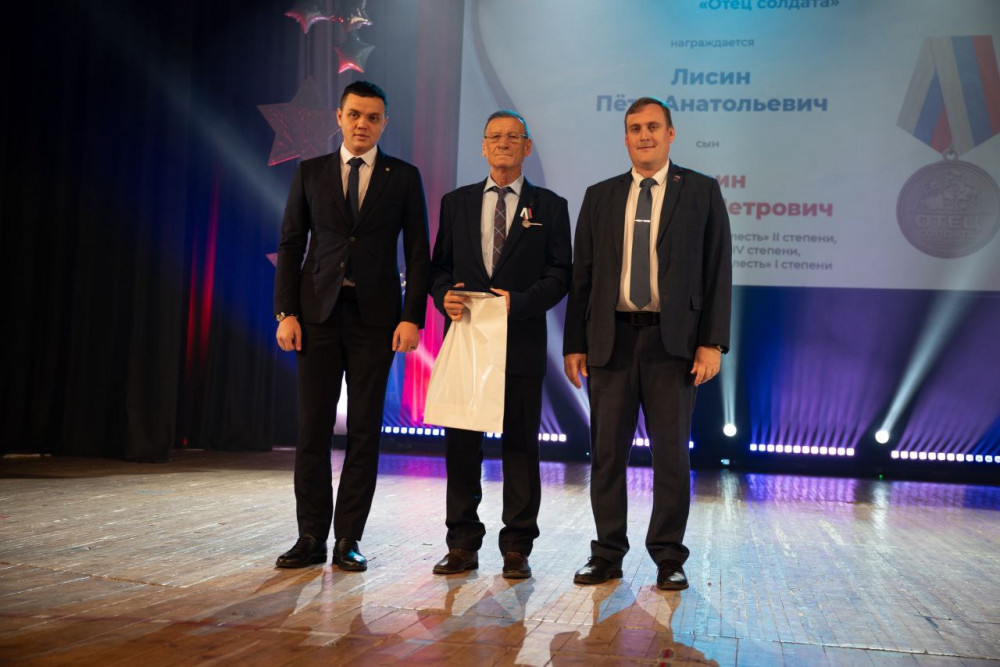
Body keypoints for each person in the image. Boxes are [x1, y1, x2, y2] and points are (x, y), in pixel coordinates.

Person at [563, 97, 731, 590]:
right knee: (607, 455)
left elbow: (718, 269)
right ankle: (607, 554)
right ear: (625, 137)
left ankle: (668, 556)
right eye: (635, 128)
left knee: (671, 457)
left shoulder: (700, 190)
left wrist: (712, 342)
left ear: (670, 134)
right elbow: (582, 276)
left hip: (672, 344)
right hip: (610, 341)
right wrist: (575, 343)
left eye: (653, 127)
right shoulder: (600, 195)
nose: (644, 135)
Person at [273, 80, 430, 570]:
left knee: (364, 430)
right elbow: (291, 245)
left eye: (373, 117)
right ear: (339, 117)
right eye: (355, 115)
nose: (363, 124)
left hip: (376, 320)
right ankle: (310, 536)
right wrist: (285, 312)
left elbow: (418, 253)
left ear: (385, 123)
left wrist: (412, 316)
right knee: (312, 430)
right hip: (316, 317)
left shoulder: (403, 177)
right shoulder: (310, 172)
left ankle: (348, 539)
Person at [429, 110, 572, 579]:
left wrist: (521, 302)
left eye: (513, 137)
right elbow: (439, 268)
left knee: (521, 448)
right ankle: (461, 543)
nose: (504, 143)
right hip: (467, 341)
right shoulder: (457, 202)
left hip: (521, 342)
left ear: (527, 147)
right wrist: (443, 296)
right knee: (461, 447)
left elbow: (560, 274)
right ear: (484, 146)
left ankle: (517, 547)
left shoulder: (550, 206)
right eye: (495, 136)